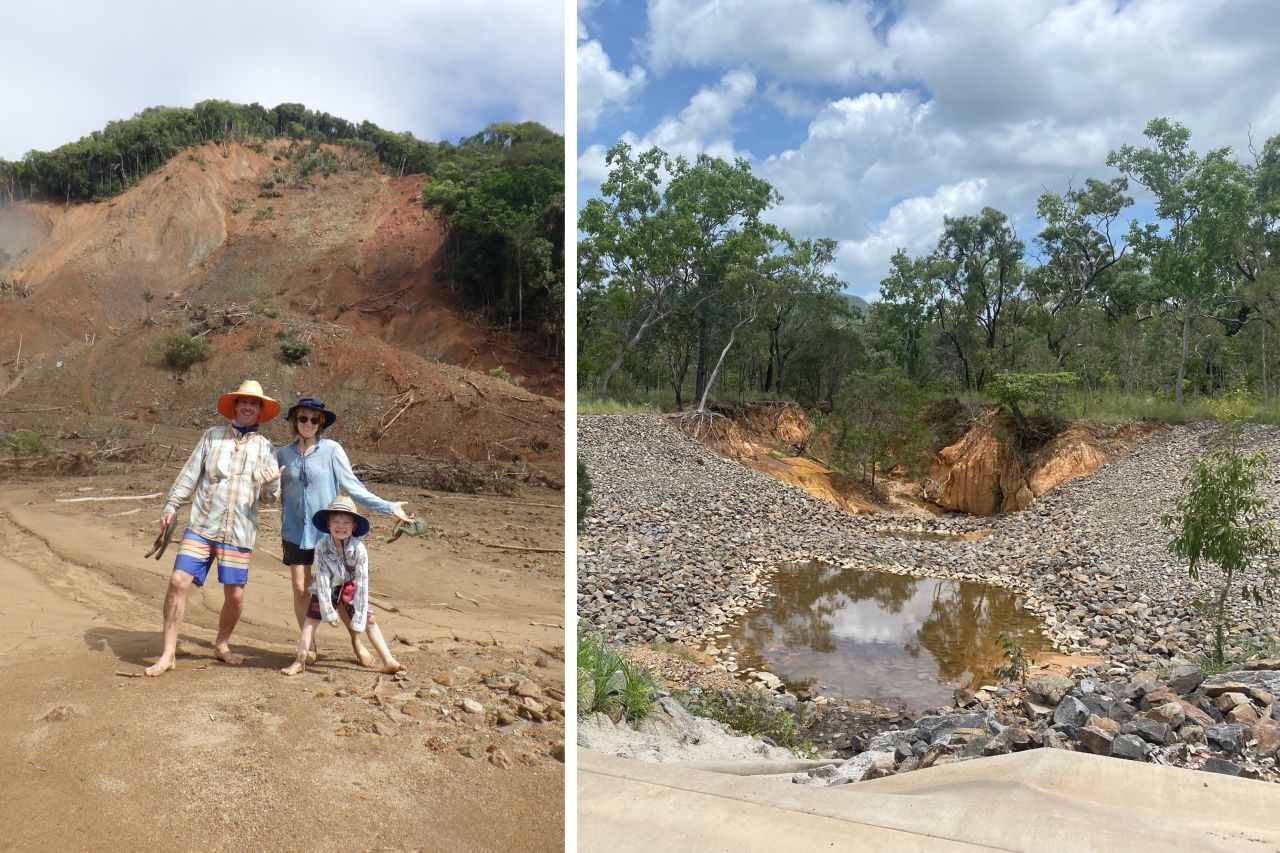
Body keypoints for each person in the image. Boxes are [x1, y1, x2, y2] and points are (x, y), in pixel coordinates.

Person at [144, 379, 285, 676]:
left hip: (239, 532)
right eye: (243, 401)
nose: (248, 406)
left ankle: (221, 645)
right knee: (178, 581)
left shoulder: (267, 449)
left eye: (254, 403)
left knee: (234, 596)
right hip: (202, 525)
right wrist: (171, 505)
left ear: (260, 411)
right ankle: (168, 653)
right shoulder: (212, 437)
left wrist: (271, 485)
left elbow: (271, 497)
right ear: (234, 406)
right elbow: (189, 474)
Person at [276, 396, 412, 666]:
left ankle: (357, 642)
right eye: (303, 418)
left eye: (314, 419)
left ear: (321, 422)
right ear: (295, 420)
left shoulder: (332, 450)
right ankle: (309, 644)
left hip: (329, 533)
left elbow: (353, 486)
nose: (308, 423)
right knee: (301, 590)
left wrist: (388, 507)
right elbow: (272, 491)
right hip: (294, 532)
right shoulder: (282, 454)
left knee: (342, 593)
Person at [281, 495, 403, 676]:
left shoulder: (359, 549)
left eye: (346, 522)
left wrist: (359, 617)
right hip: (326, 587)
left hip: (351, 586)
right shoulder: (322, 545)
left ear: (354, 526)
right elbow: (321, 578)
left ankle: (388, 660)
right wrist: (328, 611)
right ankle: (299, 660)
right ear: (328, 525)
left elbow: (362, 582)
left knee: (369, 620)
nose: (341, 526)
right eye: (336, 522)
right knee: (311, 620)